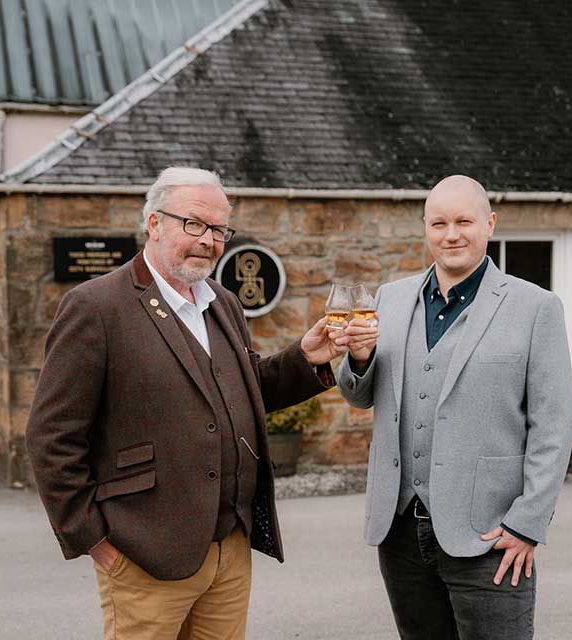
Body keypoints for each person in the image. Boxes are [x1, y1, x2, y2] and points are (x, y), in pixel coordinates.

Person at [26, 167, 340, 640]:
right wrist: (92, 538)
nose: (208, 240)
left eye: (218, 229)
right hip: (144, 551)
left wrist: (305, 359)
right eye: (194, 223)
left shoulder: (223, 302)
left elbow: (242, 388)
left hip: (229, 549)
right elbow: (51, 435)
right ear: (154, 224)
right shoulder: (95, 307)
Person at [334, 175, 572, 639]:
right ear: (425, 228)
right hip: (400, 532)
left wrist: (526, 524)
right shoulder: (391, 298)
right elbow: (359, 395)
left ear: (490, 223)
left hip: (492, 535)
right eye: (438, 223)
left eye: (464, 221)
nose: (451, 234)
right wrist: (359, 358)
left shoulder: (536, 307)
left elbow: (555, 424)